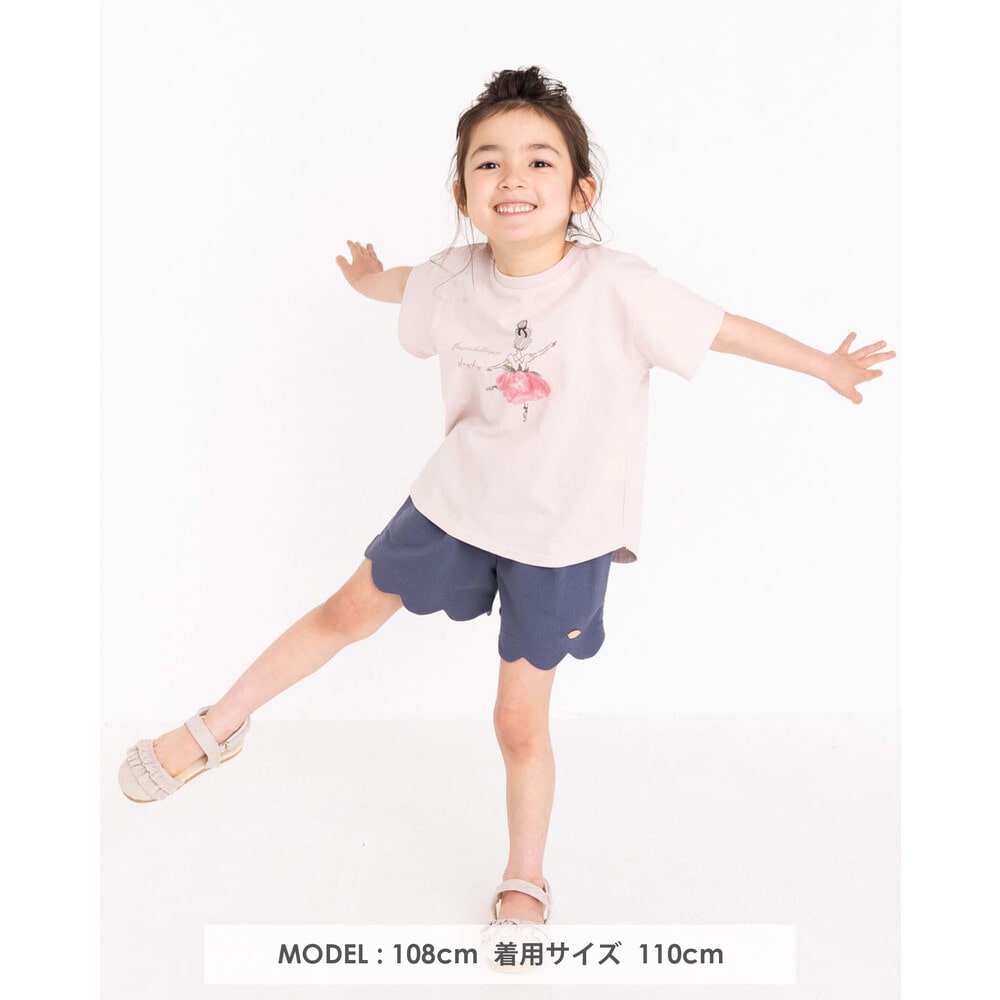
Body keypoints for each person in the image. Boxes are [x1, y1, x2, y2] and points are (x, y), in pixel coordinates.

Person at [118, 66, 893, 961]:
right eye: (488, 163)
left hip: (562, 539)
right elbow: (405, 282)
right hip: (456, 502)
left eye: (538, 161)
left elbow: (722, 329)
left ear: (580, 191)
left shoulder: (619, 285)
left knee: (518, 721)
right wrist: (368, 279)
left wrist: (824, 365)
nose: (512, 177)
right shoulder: (453, 276)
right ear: (463, 193)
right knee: (344, 612)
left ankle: (525, 874)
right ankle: (218, 726)